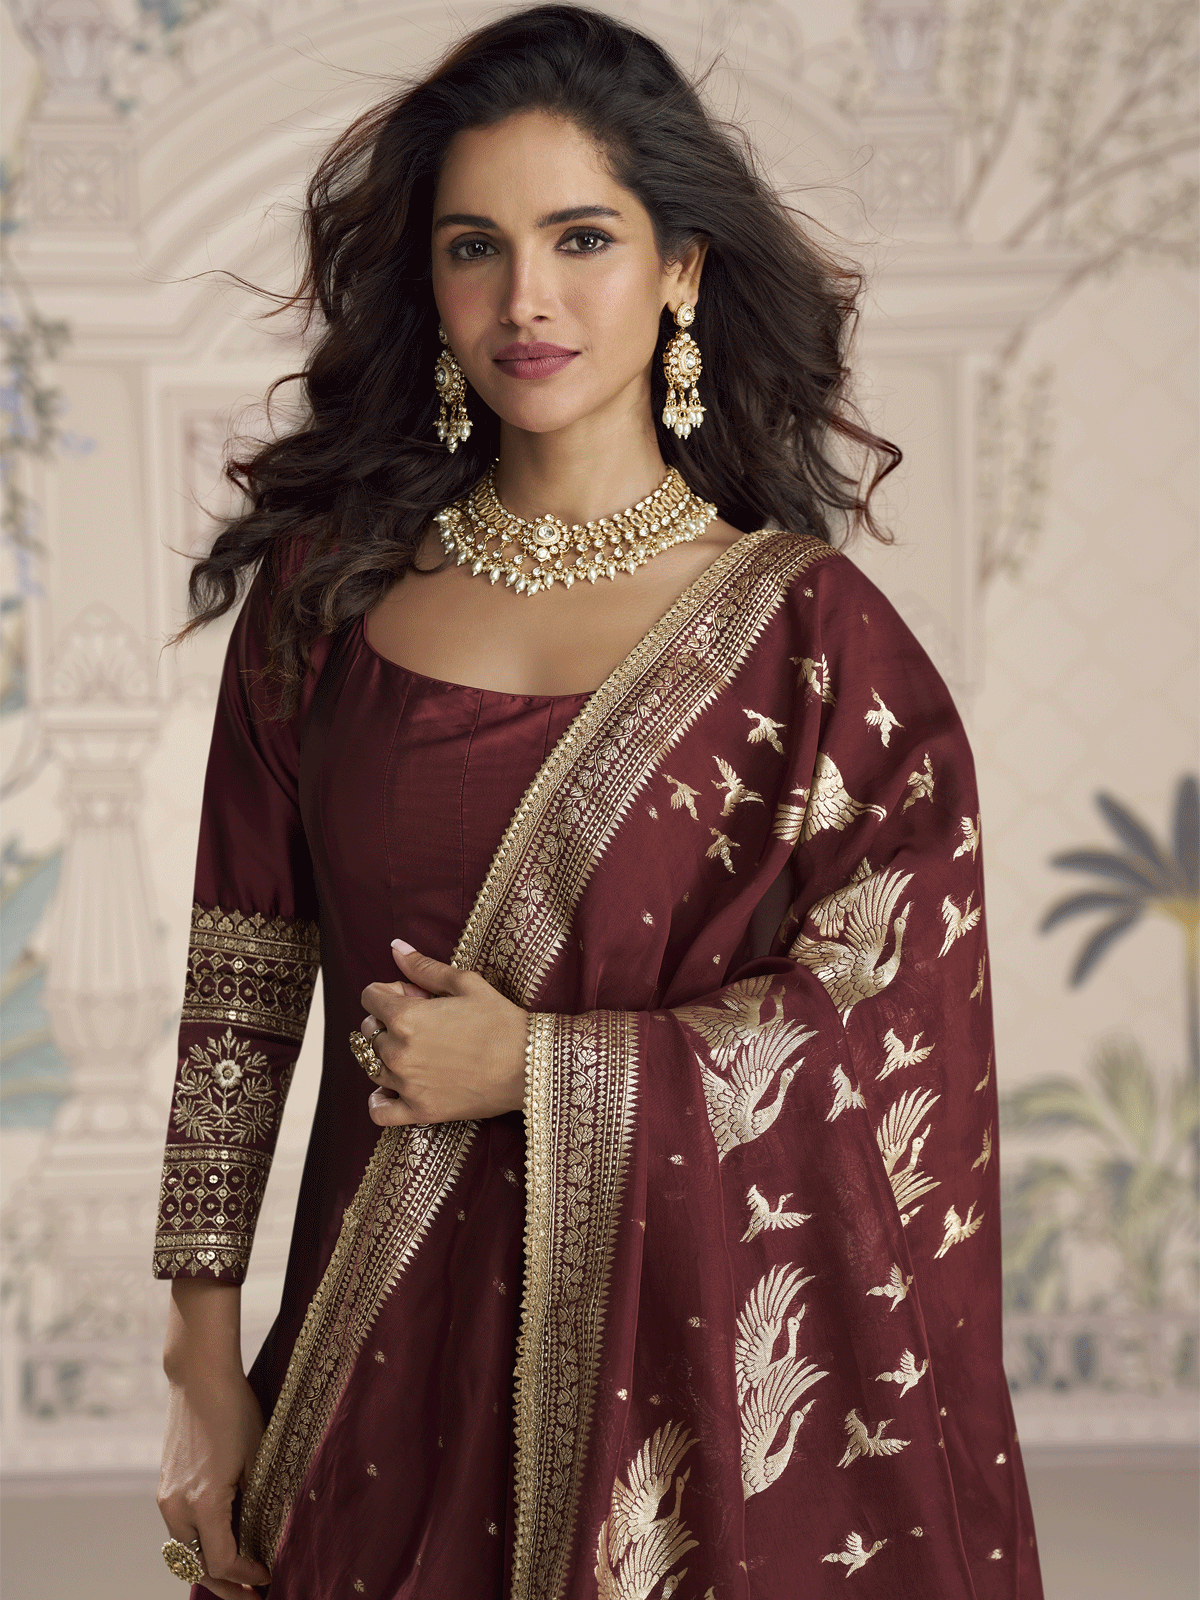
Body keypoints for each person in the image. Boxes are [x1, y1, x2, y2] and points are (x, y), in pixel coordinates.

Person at [153, 7, 1043, 1597]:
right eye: (474, 248)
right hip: (373, 1389)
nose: (527, 299)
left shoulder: (811, 641)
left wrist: (546, 1069)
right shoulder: (324, 600)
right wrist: (199, 1366)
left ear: (680, 268)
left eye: (582, 238)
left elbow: (892, 1024)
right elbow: (240, 992)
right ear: (429, 283)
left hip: (689, 1446)